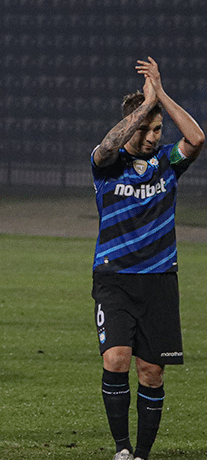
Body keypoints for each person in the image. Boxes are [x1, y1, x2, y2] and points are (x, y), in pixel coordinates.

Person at [90, 57, 203, 460]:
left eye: (158, 129)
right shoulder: (106, 166)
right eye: (148, 129)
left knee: (151, 372)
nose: (155, 136)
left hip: (159, 279)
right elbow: (106, 146)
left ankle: (142, 454)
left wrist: (161, 95)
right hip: (114, 277)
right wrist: (142, 108)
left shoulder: (167, 164)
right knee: (117, 358)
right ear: (132, 126)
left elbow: (198, 139)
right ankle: (121, 449)